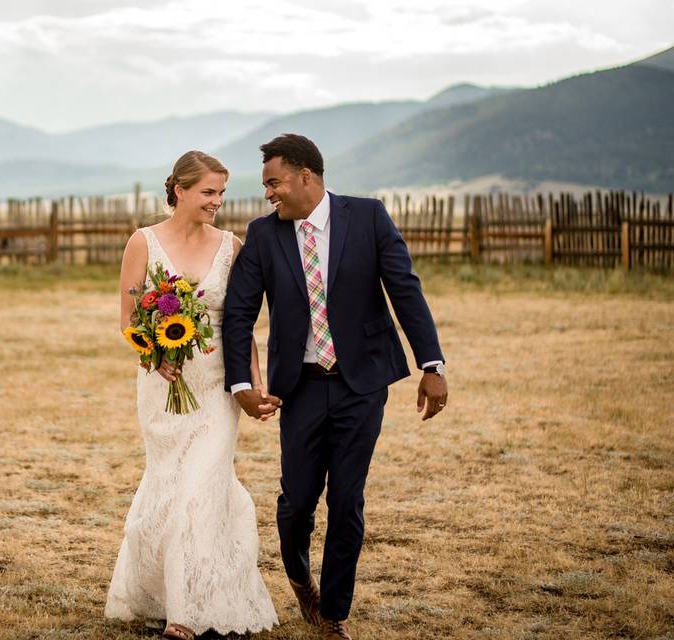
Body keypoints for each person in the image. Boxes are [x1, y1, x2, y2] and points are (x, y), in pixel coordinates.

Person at [222, 134, 448, 640]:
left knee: (348, 499)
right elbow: (238, 314)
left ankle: (334, 614)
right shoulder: (263, 235)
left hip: (361, 383)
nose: (268, 194)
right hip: (297, 388)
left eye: (274, 182)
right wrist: (241, 382)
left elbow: (404, 290)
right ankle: (301, 578)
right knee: (296, 502)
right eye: (265, 186)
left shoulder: (367, 217)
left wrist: (431, 363)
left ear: (307, 177)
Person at [105, 150, 279, 639]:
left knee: (203, 483)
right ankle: (159, 589)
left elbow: (242, 326)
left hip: (216, 387)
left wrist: (254, 383)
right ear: (178, 190)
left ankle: (188, 610)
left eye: (221, 193)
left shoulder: (232, 246)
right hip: (163, 386)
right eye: (208, 192)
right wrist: (154, 354)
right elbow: (128, 319)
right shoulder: (142, 243)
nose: (216, 202)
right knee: (170, 484)